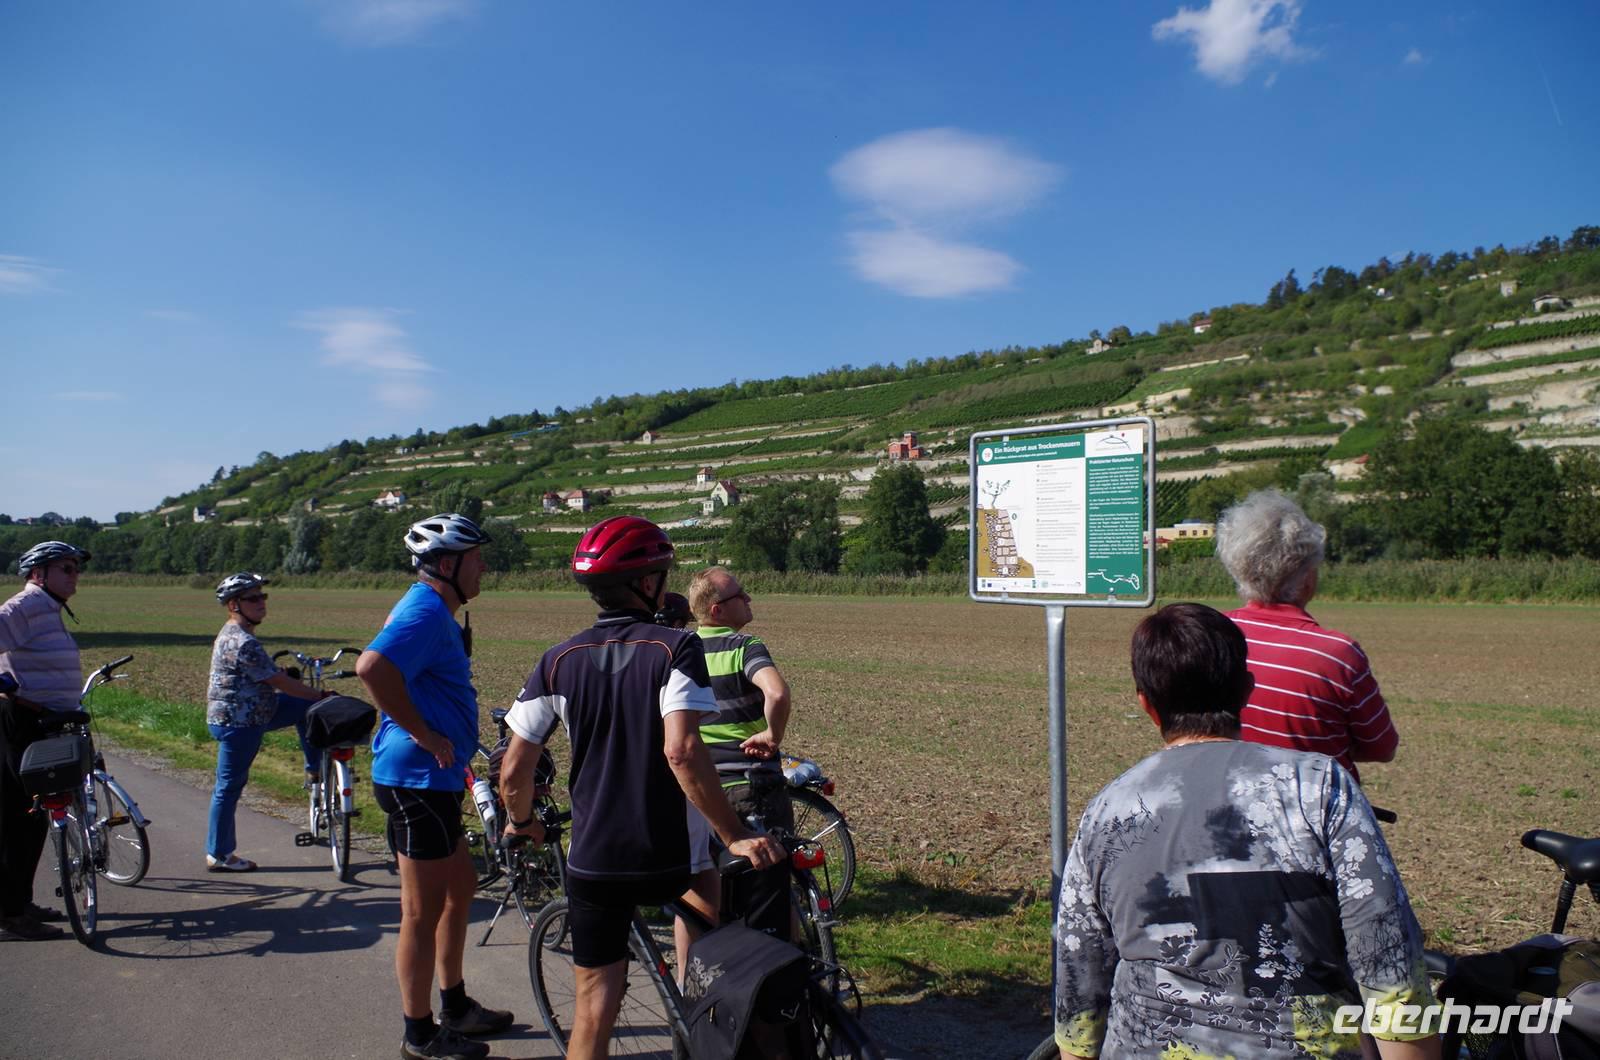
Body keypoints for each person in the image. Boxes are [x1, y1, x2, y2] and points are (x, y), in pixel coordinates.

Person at [1052, 602, 1439, 1060]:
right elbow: (1385, 953)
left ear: (1147, 704)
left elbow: (1080, 980)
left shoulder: (1107, 811)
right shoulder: (1318, 786)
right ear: (1247, 690)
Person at [498, 516, 783, 1060]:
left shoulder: (557, 661)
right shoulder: (675, 648)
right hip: (672, 852)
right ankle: (698, 1029)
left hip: (596, 857)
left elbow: (515, 770)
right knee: (704, 970)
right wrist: (735, 833)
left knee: (593, 1007)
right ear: (650, 582)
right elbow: (681, 750)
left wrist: (520, 820)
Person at [355, 513, 512, 1060]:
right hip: (414, 779)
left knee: (461, 886)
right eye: (476, 558)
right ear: (448, 564)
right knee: (420, 911)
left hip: (433, 779)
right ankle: (419, 1035)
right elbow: (371, 667)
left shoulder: (433, 609)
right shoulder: (423, 608)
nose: (483, 566)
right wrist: (424, 733)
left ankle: (455, 1005)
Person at [1216, 489, 1398, 783]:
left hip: (1234, 803)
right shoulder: (1336, 653)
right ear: (1307, 578)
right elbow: (1382, 747)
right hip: (1317, 814)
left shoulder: (1213, 634)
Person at [685, 566, 795, 937]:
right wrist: (772, 734)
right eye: (740, 595)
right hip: (751, 788)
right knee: (771, 898)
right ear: (717, 610)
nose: (748, 599)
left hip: (700, 794)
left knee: (705, 898)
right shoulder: (743, 647)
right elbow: (777, 693)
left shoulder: (681, 651)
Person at [204, 572, 330, 872]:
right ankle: (219, 854)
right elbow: (278, 682)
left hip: (254, 711)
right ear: (234, 605)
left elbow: (264, 674)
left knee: (305, 709)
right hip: (240, 722)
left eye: (263, 596)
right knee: (228, 787)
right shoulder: (242, 641)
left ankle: (314, 771)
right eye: (253, 598)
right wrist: (320, 694)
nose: (261, 603)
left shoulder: (238, 635)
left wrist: (287, 677)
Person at [0, 541, 91, 941]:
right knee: (21, 817)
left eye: (75, 568)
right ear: (38, 574)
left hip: (40, 722)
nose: (74, 575)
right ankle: (11, 914)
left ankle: (18, 901)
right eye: (66, 568)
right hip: (22, 722)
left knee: (31, 818)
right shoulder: (27, 605)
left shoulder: (46, 607)